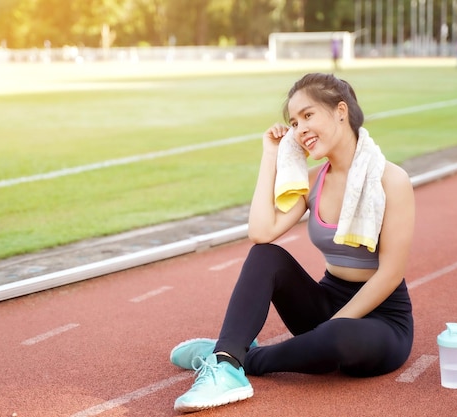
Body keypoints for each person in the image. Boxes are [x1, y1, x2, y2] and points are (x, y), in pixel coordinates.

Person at [169, 73, 415, 413]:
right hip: (328, 300)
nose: (300, 129)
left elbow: (390, 275)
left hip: (382, 320)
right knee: (265, 256)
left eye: (308, 115)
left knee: (335, 338)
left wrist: (329, 329)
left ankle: (240, 356)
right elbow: (261, 232)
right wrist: (270, 155)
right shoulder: (315, 181)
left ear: (340, 111)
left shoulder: (392, 180)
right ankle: (227, 361)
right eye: (294, 122)